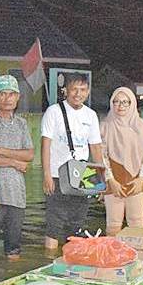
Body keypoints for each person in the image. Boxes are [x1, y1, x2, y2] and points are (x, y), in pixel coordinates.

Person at [40, 73, 103, 250]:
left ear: (88, 91)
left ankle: (73, 259)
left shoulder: (91, 115)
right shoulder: (53, 112)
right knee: (54, 224)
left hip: (83, 174)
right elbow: (45, 145)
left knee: (77, 222)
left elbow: (96, 149)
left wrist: (100, 182)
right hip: (57, 174)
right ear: (65, 90)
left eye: (82, 89)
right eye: (74, 89)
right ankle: (49, 261)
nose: (78, 93)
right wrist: (46, 175)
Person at [0, 74, 34, 262]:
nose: (7, 98)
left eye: (12, 94)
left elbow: (29, 154)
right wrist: (14, 162)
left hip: (17, 194)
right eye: (2, 94)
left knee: (13, 249)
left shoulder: (21, 123)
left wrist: (1, 150)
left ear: (18, 97)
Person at [100, 87, 143, 235]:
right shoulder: (105, 126)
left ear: (132, 104)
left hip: (137, 179)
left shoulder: (141, 127)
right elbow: (102, 156)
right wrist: (110, 180)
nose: (120, 105)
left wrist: (141, 178)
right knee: (113, 224)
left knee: (136, 221)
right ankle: (113, 256)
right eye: (116, 101)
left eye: (125, 102)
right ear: (111, 103)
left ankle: (137, 255)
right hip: (113, 179)